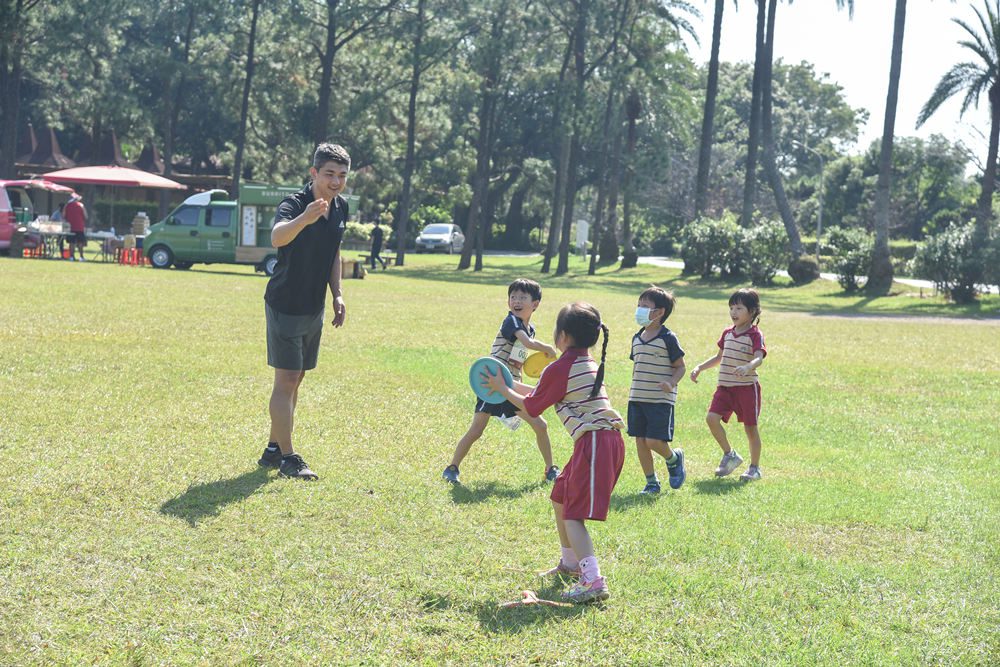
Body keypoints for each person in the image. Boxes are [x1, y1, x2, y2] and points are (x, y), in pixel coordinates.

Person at [483, 302, 625, 604]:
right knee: (560, 497)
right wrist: (507, 384)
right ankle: (571, 564)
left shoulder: (562, 367)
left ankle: (593, 580)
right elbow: (539, 392)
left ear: (562, 336)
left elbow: (533, 406)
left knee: (574, 514)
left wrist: (500, 387)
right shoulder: (584, 363)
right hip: (601, 441)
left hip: (596, 443)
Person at [257, 143, 352, 480]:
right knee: (285, 381)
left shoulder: (341, 208)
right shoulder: (295, 204)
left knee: (296, 380)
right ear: (314, 173)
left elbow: (334, 253)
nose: (336, 181)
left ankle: (272, 449)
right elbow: (277, 237)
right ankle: (288, 457)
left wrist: (338, 294)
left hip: (314, 306)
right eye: (329, 174)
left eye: (342, 175)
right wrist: (305, 218)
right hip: (285, 304)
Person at [442, 279, 560, 485]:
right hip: (493, 385)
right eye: (513, 296)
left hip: (509, 386)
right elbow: (527, 343)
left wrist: (523, 386)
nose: (516, 300)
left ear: (535, 304)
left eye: (523, 297)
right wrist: (548, 349)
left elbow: (518, 360)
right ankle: (452, 468)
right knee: (476, 430)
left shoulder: (530, 328)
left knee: (540, 425)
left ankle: (550, 469)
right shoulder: (511, 322)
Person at [690, 288, 767, 481]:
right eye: (731, 308)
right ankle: (729, 455)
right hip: (724, 388)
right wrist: (700, 367)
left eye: (739, 308)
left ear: (752, 311)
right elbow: (719, 357)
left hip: (746, 390)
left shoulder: (754, 335)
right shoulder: (727, 333)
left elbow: (759, 358)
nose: (733, 312)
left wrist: (748, 366)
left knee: (750, 428)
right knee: (711, 418)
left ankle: (754, 468)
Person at [628, 286, 686, 495]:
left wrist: (671, 382)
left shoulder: (668, 338)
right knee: (640, 441)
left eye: (645, 306)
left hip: (660, 400)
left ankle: (673, 459)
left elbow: (680, 366)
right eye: (639, 305)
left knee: (654, 441)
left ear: (660, 312)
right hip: (637, 398)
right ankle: (651, 482)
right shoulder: (637, 337)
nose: (639, 310)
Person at [63, 194, 87, 261]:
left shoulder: (67, 205)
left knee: (71, 243)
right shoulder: (81, 205)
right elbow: (86, 216)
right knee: (80, 243)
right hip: (79, 227)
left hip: (70, 227)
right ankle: (81, 257)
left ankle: (71, 257)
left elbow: (63, 215)